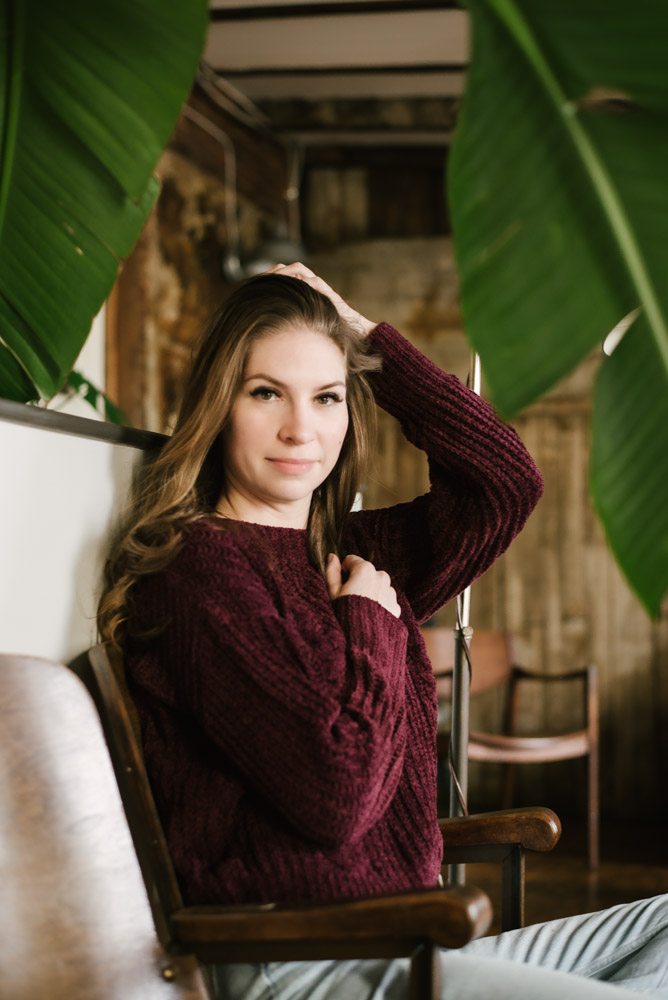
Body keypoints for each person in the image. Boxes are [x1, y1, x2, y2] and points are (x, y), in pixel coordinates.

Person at [98, 263, 668, 1000]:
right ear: (219, 405)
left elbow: (505, 483)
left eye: (326, 396)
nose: (302, 428)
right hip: (303, 960)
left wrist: (367, 338)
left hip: (407, 942)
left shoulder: (344, 550)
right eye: (266, 392)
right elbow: (337, 797)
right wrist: (369, 619)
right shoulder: (200, 571)